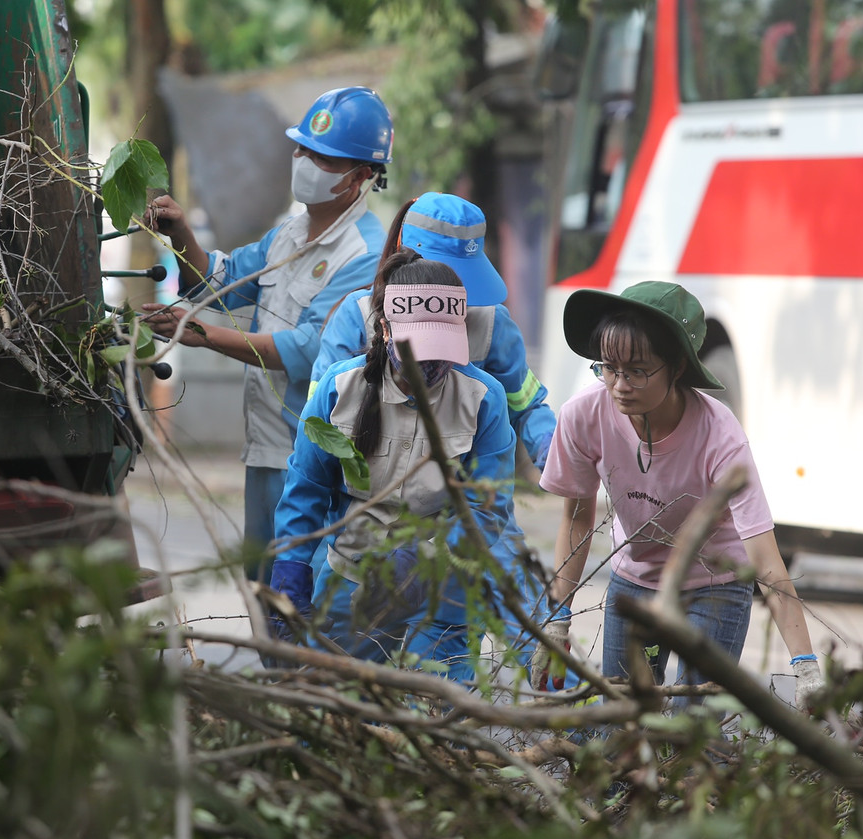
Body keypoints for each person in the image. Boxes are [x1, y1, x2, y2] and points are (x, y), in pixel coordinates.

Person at [141, 86, 393, 585]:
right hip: (265, 447)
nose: (303, 161)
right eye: (302, 149)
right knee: (262, 591)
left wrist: (204, 335)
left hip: (314, 456)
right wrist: (180, 233)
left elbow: (306, 349)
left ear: (362, 176)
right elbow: (222, 282)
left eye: (321, 157)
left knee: (302, 599)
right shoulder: (288, 234)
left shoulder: (364, 255)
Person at [533, 281, 823, 708]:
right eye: (609, 368)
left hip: (715, 587)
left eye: (637, 370)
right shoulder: (583, 415)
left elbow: (764, 560)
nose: (619, 385)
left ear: (677, 368)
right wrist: (556, 620)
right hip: (634, 584)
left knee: (694, 727)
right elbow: (576, 521)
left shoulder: (719, 435)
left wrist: (806, 667)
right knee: (625, 720)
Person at [268, 254, 524, 678]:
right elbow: (307, 488)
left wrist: (422, 560)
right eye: (417, 351)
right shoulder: (339, 388)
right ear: (385, 330)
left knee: (437, 717)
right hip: (351, 576)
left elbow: (488, 507)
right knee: (335, 706)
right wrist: (290, 569)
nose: (430, 365)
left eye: (440, 351)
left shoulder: (483, 399)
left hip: (446, 586)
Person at [309, 191, 556, 483]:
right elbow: (318, 420)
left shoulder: (490, 323)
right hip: (362, 498)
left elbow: (527, 406)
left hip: (454, 504)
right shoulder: (357, 315)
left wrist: (558, 456)